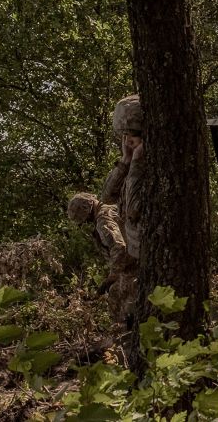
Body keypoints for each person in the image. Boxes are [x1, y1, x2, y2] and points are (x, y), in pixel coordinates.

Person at [67, 192, 137, 323]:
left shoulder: (103, 220)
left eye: (84, 219)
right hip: (136, 257)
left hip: (135, 263)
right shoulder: (111, 207)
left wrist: (111, 278)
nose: (85, 223)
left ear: (86, 210)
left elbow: (119, 248)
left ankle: (125, 331)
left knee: (115, 294)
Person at [101, 94, 144, 261]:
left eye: (133, 134)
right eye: (125, 135)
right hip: (135, 249)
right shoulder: (130, 165)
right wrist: (125, 161)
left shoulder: (148, 169)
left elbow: (134, 208)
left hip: (146, 247)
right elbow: (107, 196)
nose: (128, 141)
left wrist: (137, 160)